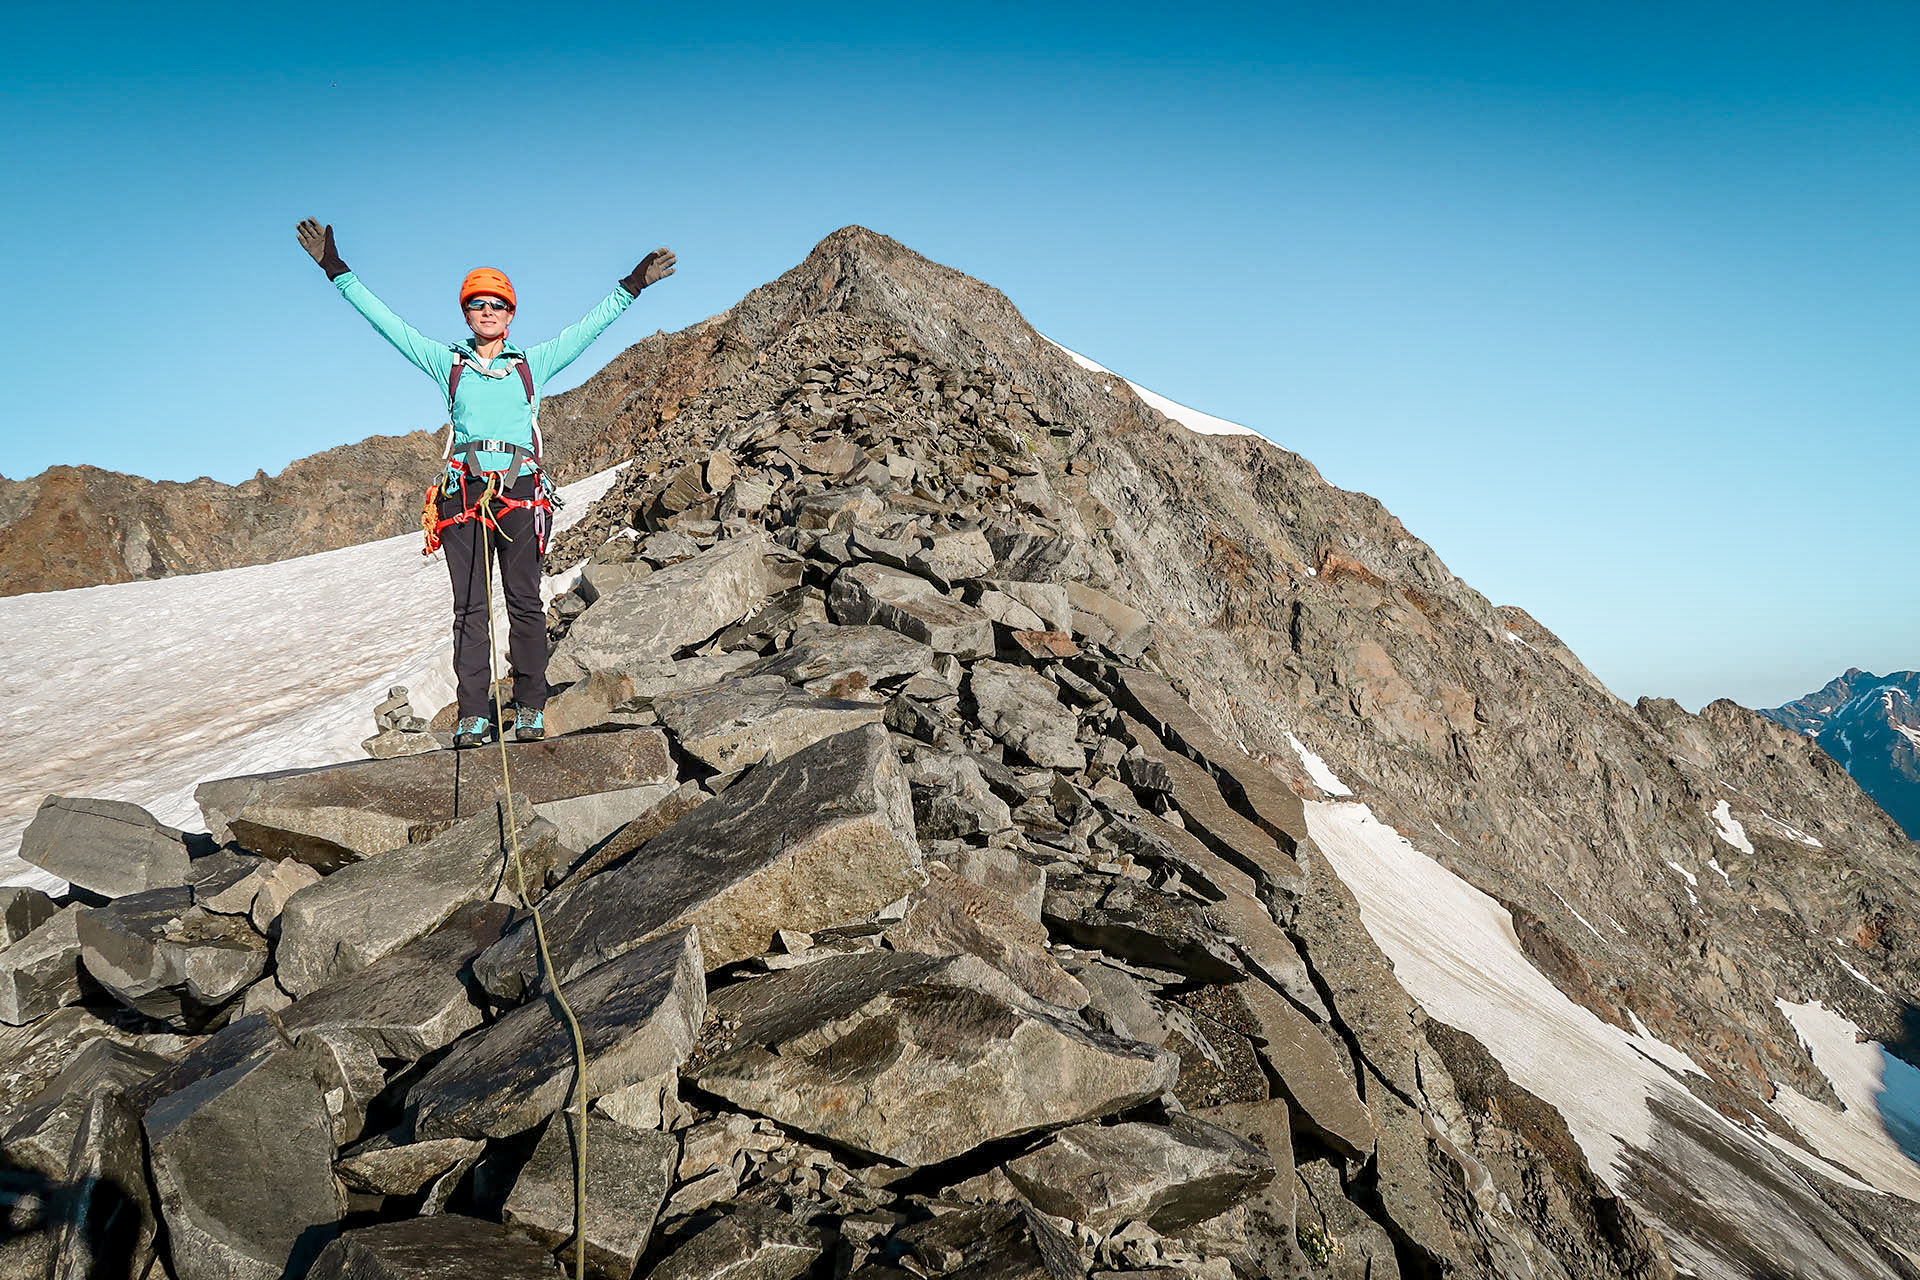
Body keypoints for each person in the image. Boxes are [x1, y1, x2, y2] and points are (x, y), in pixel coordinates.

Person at [295, 218, 675, 748]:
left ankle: (530, 708)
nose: (488, 311)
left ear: (511, 314)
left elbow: (588, 330)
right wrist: (336, 269)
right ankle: (474, 714)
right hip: (463, 494)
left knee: (523, 601)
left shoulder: (532, 364)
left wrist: (631, 285)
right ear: (466, 313)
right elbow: (388, 324)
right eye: (478, 304)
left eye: (497, 304)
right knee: (470, 608)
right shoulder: (446, 362)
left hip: (519, 493)